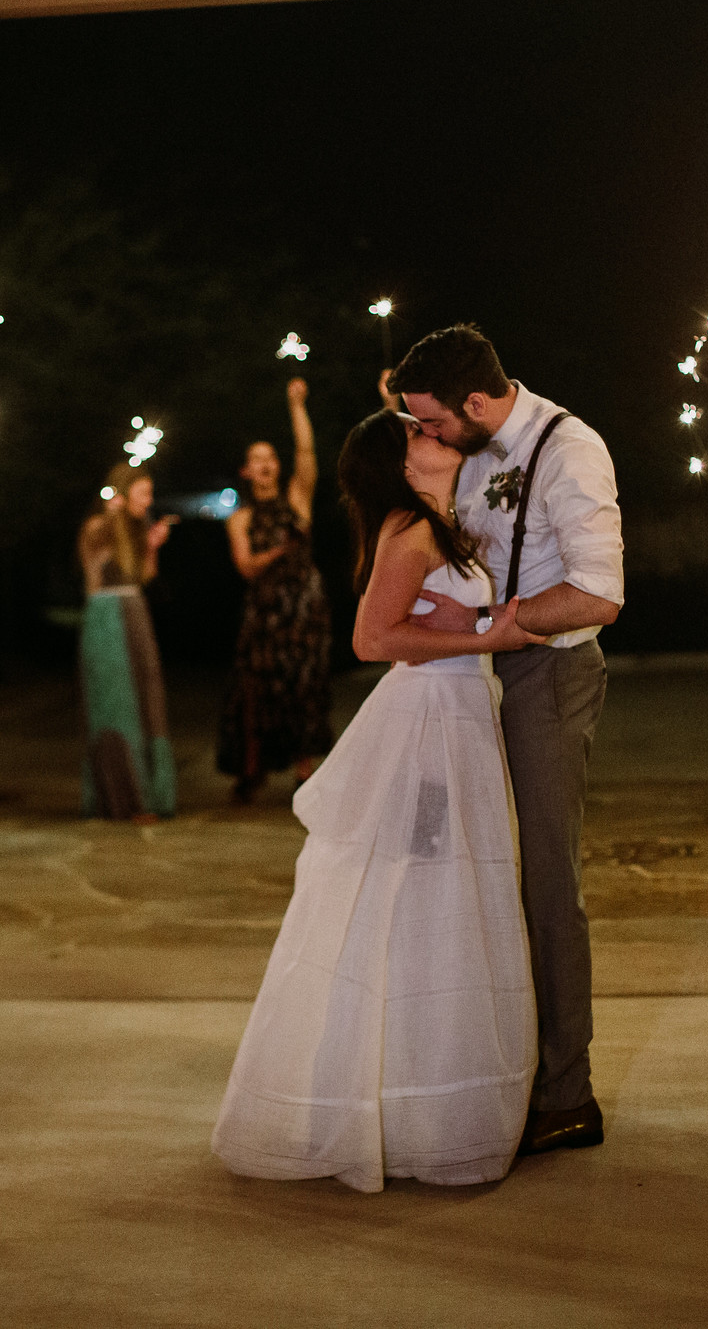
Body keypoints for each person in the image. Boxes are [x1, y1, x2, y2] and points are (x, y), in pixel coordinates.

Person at [212, 411, 542, 1191]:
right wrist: (485, 639)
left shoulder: (433, 524)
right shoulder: (413, 533)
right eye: (419, 433)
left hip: (456, 720)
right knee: (420, 888)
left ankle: (419, 1097)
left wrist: (480, 626)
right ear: (398, 463)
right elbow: (370, 639)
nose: (437, 436)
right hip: (427, 732)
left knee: (439, 892)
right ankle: (399, 1105)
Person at [390, 324, 623, 1156]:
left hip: (548, 679)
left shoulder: (571, 449)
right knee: (474, 876)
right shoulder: (474, 446)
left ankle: (568, 1093)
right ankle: (495, 1068)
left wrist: (487, 622)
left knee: (546, 884)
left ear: (478, 403)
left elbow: (598, 595)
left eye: (434, 420)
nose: (428, 435)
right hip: (472, 683)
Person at [217, 378, 334, 802]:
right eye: (256, 459)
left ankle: (305, 771)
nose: (265, 465)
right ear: (247, 471)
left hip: (305, 606)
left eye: (270, 458)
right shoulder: (240, 519)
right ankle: (252, 771)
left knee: (305, 684)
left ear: (277, 467)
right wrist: (280, 550)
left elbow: (307, 454)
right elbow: (247, 567)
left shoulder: (297, 500)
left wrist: (296, 404)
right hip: (265, 610)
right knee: (257, 688)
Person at [78, 465, 177, 821]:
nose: (148, 501)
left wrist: (152, 547)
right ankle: (124, 799)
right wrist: (114, 511)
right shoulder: (98, 527)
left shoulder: (133, 532)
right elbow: (93, 555)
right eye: (143, 493)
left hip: (135, 612)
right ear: (125, 492)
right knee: (117, 703)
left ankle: (150, 793)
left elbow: (145, 577)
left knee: (145, 699)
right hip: (106, 618)